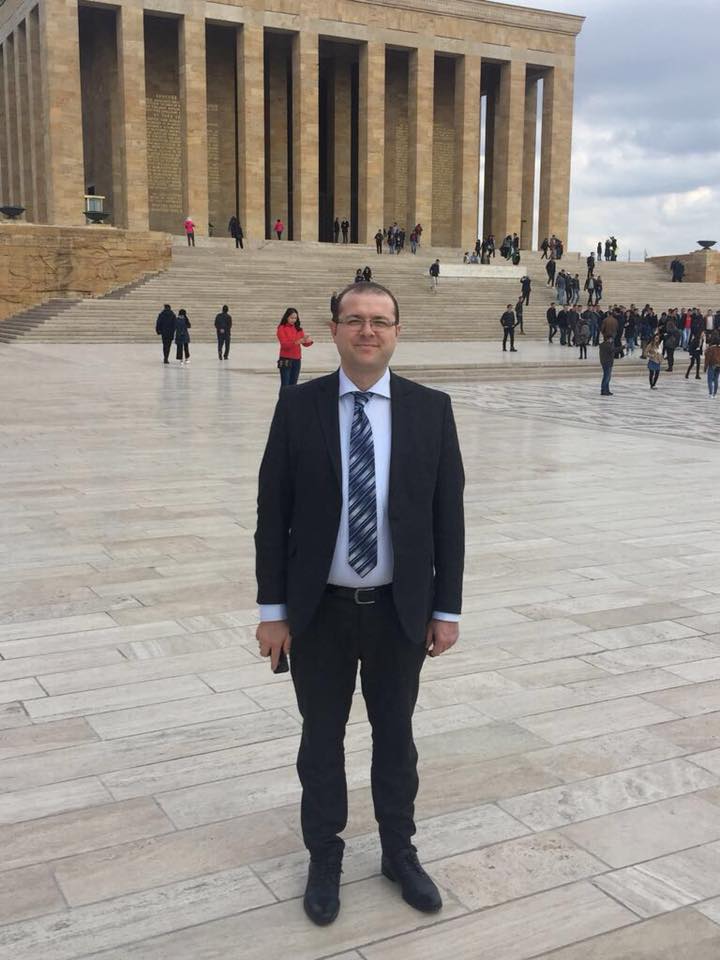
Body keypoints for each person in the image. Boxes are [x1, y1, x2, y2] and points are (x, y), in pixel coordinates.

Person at [255, 280, 464, 926]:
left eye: (379, 320)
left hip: (400, 611)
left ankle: (399, 850)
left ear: (397, 331)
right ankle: (325, 855)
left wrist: (446, 610)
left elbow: (448, 518)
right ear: (334, 330)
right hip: (319, 611)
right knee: (321, 738)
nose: (367, 331)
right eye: (354, 320)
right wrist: (272, 613)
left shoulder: (431, 410)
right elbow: (272, 514)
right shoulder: (299, 408)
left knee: (396, 737)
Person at [276, 307, 312, 390]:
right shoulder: (281, 328)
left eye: (295, 318)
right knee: (285, 385)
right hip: (286, 359)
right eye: (291, 318)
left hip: (297, 360)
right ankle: (283, 399)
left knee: (294, 385)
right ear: (286, 317)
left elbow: (304, 343)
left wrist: (308, 341)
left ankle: (291, 399)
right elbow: (284, 345)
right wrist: (297, 342)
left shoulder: (298, 329)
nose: (293, 320)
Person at [704, 333, 720, 398]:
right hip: (719, 365)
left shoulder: (710, 349)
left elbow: (707, 359)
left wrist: (705, 367)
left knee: (710, 380)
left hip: (712, 365)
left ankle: (710, 394)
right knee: (716, 379)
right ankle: (715, 394)